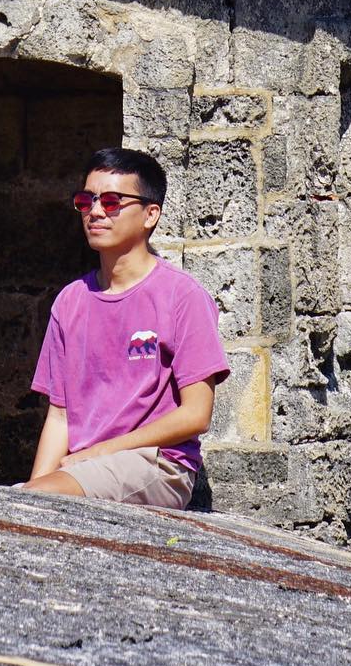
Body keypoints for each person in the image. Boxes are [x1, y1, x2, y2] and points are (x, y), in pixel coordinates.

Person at [24, 146, 229, 508]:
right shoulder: (69, 301)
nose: (96, 212)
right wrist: (32, 491)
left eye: (112, 202)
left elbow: (197, 414)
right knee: (21, 502)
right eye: (86, 201)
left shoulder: (182, 296)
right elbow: (60, 416)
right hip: (84, 468)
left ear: (151, 214)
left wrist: (102, 451)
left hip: (157, 465)